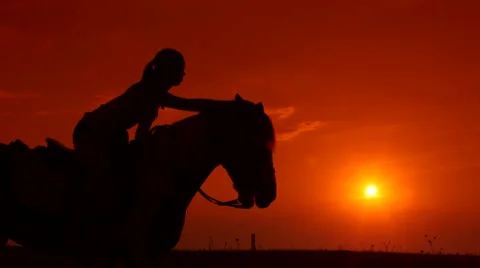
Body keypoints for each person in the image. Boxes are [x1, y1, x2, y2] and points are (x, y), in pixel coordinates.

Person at [67, 48, 234, 252]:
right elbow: (189, 104)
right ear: (168, 71)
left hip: (109, 138)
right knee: (103, 175)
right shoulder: (150, 91)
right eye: (180, 70)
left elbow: (140, 135)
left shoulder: (153, 97)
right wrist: (228, 106)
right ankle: (82, 223)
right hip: (90, 134)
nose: (183, 75)